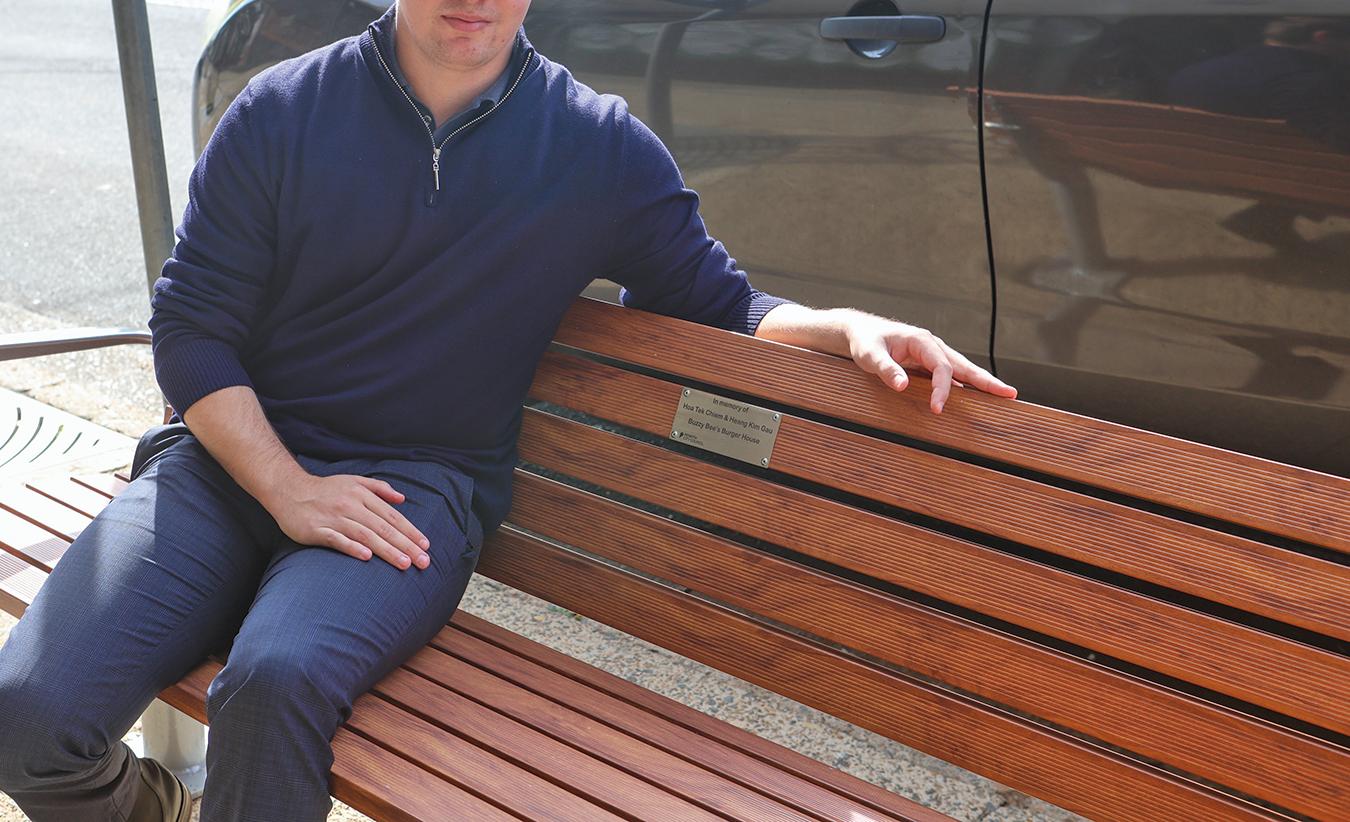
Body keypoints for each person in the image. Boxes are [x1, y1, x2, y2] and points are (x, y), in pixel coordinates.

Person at [0, 2, 1016, 820]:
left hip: (411, 494)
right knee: (25, 717)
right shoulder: (283, 110)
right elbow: (191, 329)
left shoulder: (594, 148)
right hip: (229, 469)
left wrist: (848, 326)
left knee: (274, 681)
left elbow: (719, 301)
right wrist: (289, 488)